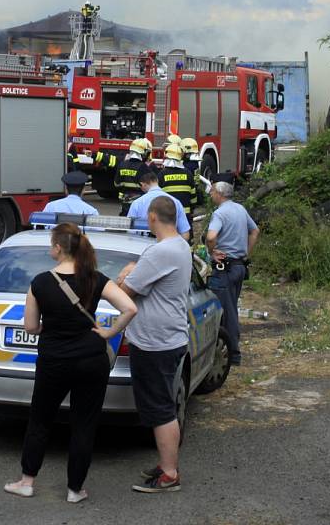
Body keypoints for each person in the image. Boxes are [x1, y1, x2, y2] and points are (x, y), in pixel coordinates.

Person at [4, 223, 137, 503]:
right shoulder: (96, 279)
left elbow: (30, 326)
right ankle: (75, 490)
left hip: (54, 360)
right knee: (84, 424)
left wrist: (43, 329)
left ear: (57, 248)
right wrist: (109, 332)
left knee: (40, 419)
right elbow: (130, 308)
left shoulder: (40, 282)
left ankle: (27, 481)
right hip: (91, 360)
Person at [116, 196, 193, 493]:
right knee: (164, 405)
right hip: (169, 336)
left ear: (151, 218)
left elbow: (126, 293)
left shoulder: (159, 252)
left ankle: (169, 474)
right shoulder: (181, 247)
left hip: (154, 342)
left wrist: (125, 274)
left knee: (160, 409)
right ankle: (166, 463)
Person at [206, 181, 260, 366]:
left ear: (220, 193)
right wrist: (246, 253)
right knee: (232, 308)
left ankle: (232, 354)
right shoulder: (240, 209)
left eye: (212, 191)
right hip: (239, 266)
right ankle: (229, 350)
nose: (210, 194)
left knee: (225, 312)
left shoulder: (220, 213)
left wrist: (212, 251)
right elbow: (255, 231)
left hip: (224, 269)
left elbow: (211, 237)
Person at [127, 172, 191, 241]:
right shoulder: (176, 202)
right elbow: (185, 234)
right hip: (168, 247)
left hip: (142, 248)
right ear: (157, 181)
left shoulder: (137, 203)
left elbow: (130, 232)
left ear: (142, 184)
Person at [158, 143, 197, 221]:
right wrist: (192, 209)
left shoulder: (162, 174)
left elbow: (157, 195)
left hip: (167, 214)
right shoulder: (188, 173)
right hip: (185, 214)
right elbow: (193, 196)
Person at [115, 138, 153, 216]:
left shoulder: (122, 165)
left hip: (125, 203)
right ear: (144, 153)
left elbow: (116, 184)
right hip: (141, 205)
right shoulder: (144, 167)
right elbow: (150, 188)